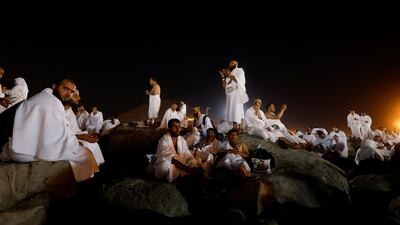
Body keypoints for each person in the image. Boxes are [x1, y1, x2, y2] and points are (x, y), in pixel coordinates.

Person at [0, 78, 98, 182]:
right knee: (84, 154)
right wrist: (74, 141)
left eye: (72, 91)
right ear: (54, 86)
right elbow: (55, 141)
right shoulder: (50, 102)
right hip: (12, 146)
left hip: (12, 138)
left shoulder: (50, 99)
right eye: (66, 88)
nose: (69, 93)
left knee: (84, 150)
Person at [219, 60, 248, 131]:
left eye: (232, 63)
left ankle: (239, 128)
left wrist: (228, 74)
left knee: (237, 110)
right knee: (232, 111)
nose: (230, 64)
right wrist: (223, 77)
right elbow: (224, 86)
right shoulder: (229, 74)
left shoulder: (239, 70)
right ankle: (235, 128)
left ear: (236, 64)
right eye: (229, 63)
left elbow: (240, 80)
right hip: (229, 96)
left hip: (236, 94)